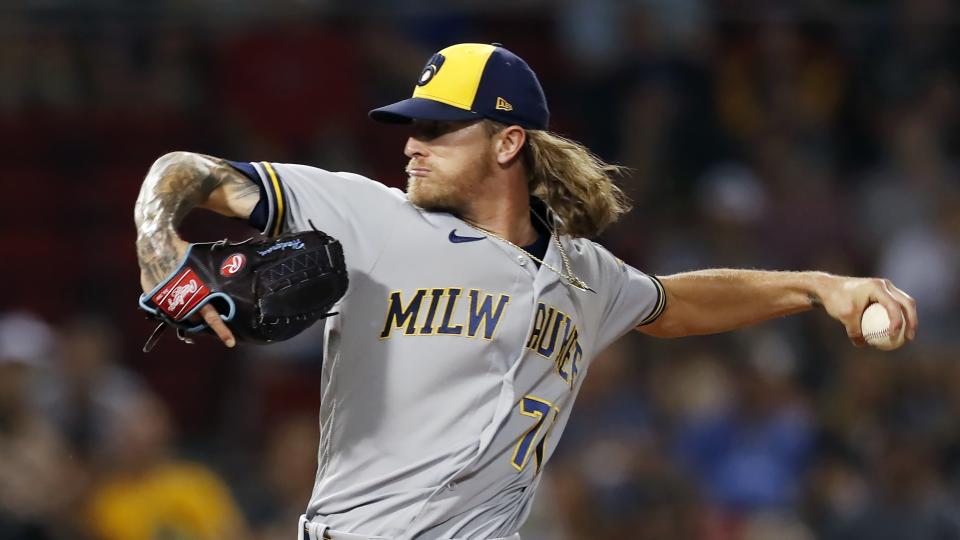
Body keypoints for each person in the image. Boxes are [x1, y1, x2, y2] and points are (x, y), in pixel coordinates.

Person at [133, 43, 917, 540]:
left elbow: (677, 305)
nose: (413, 143)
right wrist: (162, 255)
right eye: (413, 125)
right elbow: (183, 174)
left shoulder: (587, 275)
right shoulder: (369, 214)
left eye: (440, 129)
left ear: (509, 142)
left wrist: (817, 286)